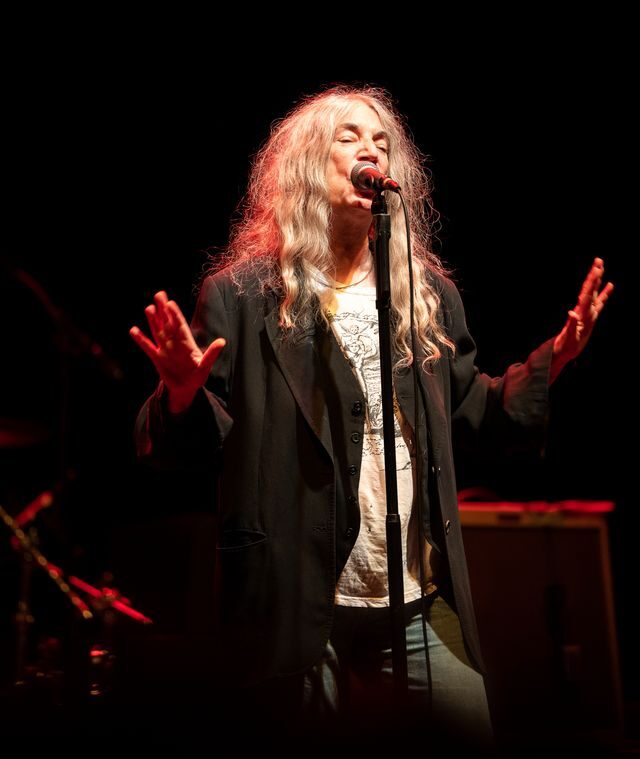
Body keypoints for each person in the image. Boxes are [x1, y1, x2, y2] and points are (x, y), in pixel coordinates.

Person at [129, 86, 612, 750]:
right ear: (306, 163)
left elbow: (475, 410)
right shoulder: (244, 295)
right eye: (350, 137)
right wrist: (182, 393)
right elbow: (189, 446)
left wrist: (555, 357)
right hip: (299, 602)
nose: (372, 150)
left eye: (383, 142)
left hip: (417, 596)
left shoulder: (425, 295)